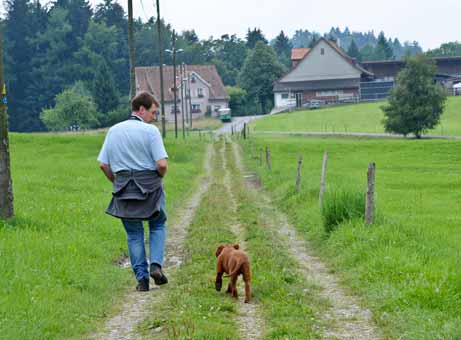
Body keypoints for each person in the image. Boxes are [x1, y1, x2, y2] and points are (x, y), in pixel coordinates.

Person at [97, 92, 168, 292]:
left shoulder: (113, 131)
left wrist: (117, 181)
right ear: (142, 109)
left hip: (123, 188)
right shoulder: (150, 131)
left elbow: (103, 165)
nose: (154, 117)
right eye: (153, 112)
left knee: (134, 233)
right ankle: (155, 265)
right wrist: (159, 176)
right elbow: (161, 164)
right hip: (150, 187)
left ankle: (142, 280)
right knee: (157, 223)